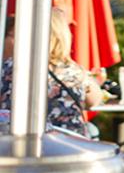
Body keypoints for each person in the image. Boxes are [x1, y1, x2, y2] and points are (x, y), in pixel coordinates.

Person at [0, 7, 104, 137]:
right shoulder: (75, 71)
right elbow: (94, 101)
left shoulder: (9, 68)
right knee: (92, 130)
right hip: (71, 146)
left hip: (23, 145)